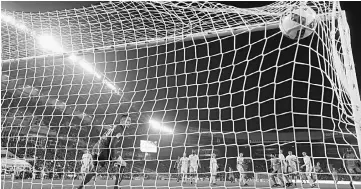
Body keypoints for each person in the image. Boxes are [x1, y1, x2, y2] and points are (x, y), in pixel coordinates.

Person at [77, 114, 131, 189]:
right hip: (103, 149)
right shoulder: (120, 129)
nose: (129, 123)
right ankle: (116, 187)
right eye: (128, 120)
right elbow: (111, 145)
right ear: (122, 121)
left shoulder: (114, 127)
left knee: (94, 170)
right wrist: (113, 158)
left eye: (130, 121)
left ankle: (80, 187)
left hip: (96, 147)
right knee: (123, 164)